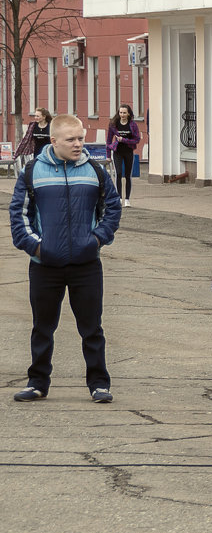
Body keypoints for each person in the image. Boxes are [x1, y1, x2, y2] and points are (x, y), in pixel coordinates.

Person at [9, 114, 122, 403]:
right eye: (71, 139)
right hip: (45, 265)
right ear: (54, 140)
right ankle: (37, 383)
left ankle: (99, 384)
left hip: (86, 265)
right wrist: (37, 248)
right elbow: (19, 215)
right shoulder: (33, 172)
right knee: (42, 327)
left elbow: (112, 209)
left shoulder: (95, 171)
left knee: (92, 329)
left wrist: (96, 240)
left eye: (81, 138)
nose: (78, 144)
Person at [107, 105, 142, 208]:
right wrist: (108, 155)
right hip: (117, 152)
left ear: (128, 114)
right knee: (118, 173)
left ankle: (127, 199)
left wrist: (124, 140)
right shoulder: (113, 124)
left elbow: (137, 140)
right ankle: (119, 198)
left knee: (127, 175)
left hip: (128, 152)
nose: (122, 115)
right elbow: (109, 140)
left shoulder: (133, 125)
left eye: (124, 113)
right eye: (120, 113)